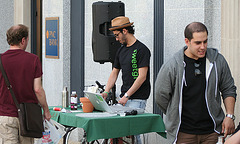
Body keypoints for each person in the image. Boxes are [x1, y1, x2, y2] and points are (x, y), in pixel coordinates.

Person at [154, 22, 236, 144]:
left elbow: (228, 88)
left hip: (212, 132)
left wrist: (229, 116)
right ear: (187, 41)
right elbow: (160, 96)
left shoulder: (217, 61)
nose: (203, 47)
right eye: (198, 43)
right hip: (183, 133)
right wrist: (174, 112)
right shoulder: (173, 65)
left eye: (205, 41)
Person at [101, 16, 151, 144]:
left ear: (125, 31)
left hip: (137, 98)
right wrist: (106, 91)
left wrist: (127, 95)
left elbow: (142, 77)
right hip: (124, 97)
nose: (116, 39)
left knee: (134, 132)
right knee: (119, 131)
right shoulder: (121, 50)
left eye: (117, 35)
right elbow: (114, 72)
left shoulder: (142, 50)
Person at [0, 24, 51, 144]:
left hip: (6, 115)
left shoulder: (1, 60)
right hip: (28, 116)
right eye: (27, 39)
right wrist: (46, 111)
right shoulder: (33, 60)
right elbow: (38, 90)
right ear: (23, 40)